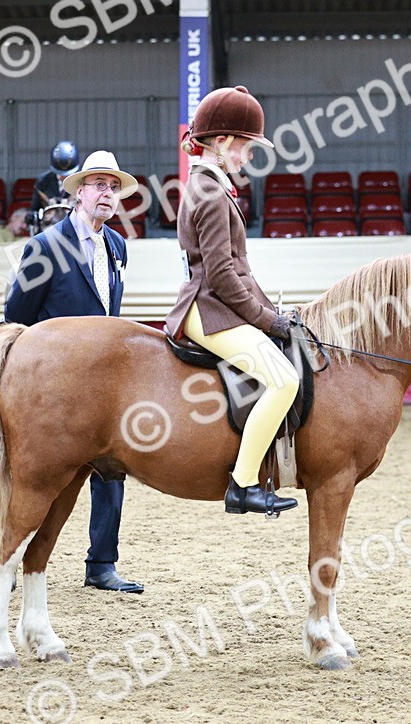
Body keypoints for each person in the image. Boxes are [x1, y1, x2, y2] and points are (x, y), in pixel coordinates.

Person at [3, 149, 144, 594]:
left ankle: (102, 564)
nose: (107, 193)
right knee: (39, 480)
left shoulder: (118, 247)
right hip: (55, 386)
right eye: (98, 184)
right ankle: (8, 561)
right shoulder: (45, 246)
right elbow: (15, 316)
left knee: (113, 474)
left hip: (104, 384)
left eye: (113, 186)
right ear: (78, 192)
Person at [165, 86, 300, 517]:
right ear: (222, 142)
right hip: (209, 310)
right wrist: (266, 320)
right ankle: (243, 484)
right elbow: (222, 274)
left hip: (216, 304)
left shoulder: (213, 186)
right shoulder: (207, 191)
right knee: (284, 381)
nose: (247, 157)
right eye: (245, 146)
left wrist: (272, 312)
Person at [29, 140, 79, 222]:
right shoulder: (43, 181)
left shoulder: (82, 180)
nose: (64, 176)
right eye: (60, 172)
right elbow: (35, 208)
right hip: (49, 227)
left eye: (68, 173)